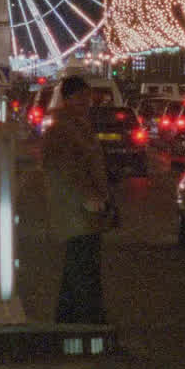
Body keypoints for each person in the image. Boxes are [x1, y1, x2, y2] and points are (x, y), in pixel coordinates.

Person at [40, 75, 113, 325]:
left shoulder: (78, 125)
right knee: (84, 267)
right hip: (76, 208)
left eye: (88, 97)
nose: (87, 101)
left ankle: (68, 321)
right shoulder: (62, 128)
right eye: (81, 97)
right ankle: (89, 322)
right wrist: (89, 196)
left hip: (83, 207)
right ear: (67, 99)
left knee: (79, 267)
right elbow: (66, 168)